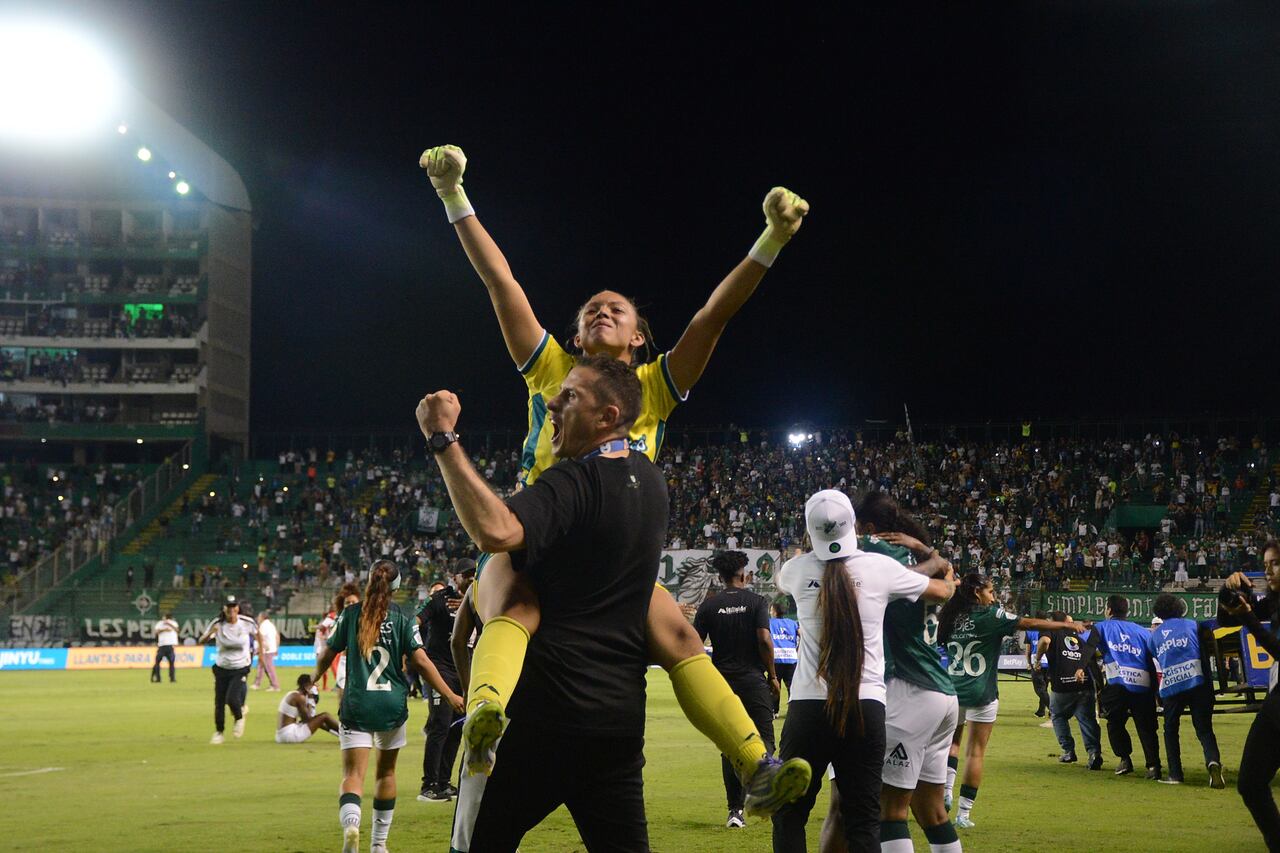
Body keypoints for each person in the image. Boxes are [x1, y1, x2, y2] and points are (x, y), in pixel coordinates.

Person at [420, 143, 810, 820]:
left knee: (679, 635)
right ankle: (483, 717)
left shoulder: (654, 387)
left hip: (608, 547)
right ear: (575, 338)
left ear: (637, 340)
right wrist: (455, 194)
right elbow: (501, 283)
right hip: (538, 530)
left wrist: (772, 237)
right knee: (513, 602)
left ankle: (755, 763)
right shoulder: (552, 374)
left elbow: (712, 316)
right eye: (591, 310)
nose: (601, 311)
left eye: (617, 310)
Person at [417, 361, 809, 853]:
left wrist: (442, 439)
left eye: (569, 397)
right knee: (678, 637)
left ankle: (484, 707)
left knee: (508, 596)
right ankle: (754, 758)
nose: (553, 404)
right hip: (616, 731)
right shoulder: (651, 485)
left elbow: (495, 531)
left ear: (607, 415)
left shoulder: (573, 482)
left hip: (536, 727)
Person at [773, 490, 954, 853]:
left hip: (808, 707)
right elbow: (944, 591)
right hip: (866, 706)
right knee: (864, 820)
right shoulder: (881, 569)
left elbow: (795, 572)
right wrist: (932, 556)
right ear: (853, 527)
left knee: (789, 815)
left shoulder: (794, 572)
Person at [313, 561, 463, 853]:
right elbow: (421, 662)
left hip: (357, 705)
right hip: (391, 706)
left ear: (368, 582)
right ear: (396, 587)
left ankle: (352, 825)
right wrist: (449, 695)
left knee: (353, 776)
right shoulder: (403, 619)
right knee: (386, 774)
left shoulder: (350, 615)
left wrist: (312, 680)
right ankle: (379, 844)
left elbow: (327, 653)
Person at [936, 575, 1077, 828]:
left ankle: (945, 792)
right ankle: (964, 814)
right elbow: (1029, 622)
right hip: (982, 693)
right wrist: (1065, 626)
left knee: (951, 744)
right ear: (977, 592)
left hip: (951, 691)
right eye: (990, 591)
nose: (994, 596)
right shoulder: (993, 616)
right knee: (975, 753)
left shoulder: (950, 616)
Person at [694, 550, 779, 828]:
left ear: (720, 576)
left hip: (722, 684)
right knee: (765, 740)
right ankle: (762, 794)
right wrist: (773, 676)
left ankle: (735, 811)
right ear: (743, 573)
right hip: (753, 680)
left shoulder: (709, 606)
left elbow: (694, 645)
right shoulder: (757, 601)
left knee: (731, 747)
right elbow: (764, 640)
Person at [1219, 540, 1280, 849]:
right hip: (1277, 700)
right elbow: (1228, 615)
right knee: (1249, 783)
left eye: (1275, 564)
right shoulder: (1274, 600)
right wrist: (1229, 591)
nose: (1268, 570)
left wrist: (1248, 617)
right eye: (1266, 564)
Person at [1147, 593, 1224, 787]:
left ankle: (1175, 774)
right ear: (1179, 608)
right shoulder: (1193, 625)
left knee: (1171, 729)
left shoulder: (1154, 636)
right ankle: (1212, 761)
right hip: (1198, 681)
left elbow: (1158, 657)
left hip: (1172, 686)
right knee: (1204, 729)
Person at [417, 558, 475, 804]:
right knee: (440, 724)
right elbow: (417, 621)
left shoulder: (482, 599)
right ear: (455, 577)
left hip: (465, 671)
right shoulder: (440, 600)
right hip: (440, 669)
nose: (471, 577)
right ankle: (428, 785)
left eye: (474, 574)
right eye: (466, 574)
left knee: (456, 727)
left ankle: (443, 782)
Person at [1092, 594, 1162, 780]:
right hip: (1143, 685)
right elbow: (1152, 660)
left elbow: (1086, 645)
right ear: (1127, 611)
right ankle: (1154, 766)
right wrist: (1155, 690)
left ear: (1108, 610)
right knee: (1146, 727)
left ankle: (1125, 759)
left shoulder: (1102, 626)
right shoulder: (1143, 632)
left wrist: (1098, 683)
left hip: (1117, 685)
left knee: (1115, 723)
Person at [1037, 612, 1103, 768]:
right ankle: (1094, 754)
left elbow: (1045, 642)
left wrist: (1038, 658)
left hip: (1062, 684)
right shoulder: (1080, 635)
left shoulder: (1050, 630)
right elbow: (1095, 654)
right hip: (1085, 683)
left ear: (1052, 621)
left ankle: (1068, 751)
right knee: (1087, 720)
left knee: (1058, 716)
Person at [198, 594, 258, 744]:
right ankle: (219, 732)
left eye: (234, 607)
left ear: (237, 608)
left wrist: (261, 654)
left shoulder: (246, 622)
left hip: (240, 667)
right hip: (222, 667)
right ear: (224, 609)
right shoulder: (218, 623)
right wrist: (211, 633)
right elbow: (201, 641)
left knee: (231, 698)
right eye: (228, 607)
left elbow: (259, 636)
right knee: (219, 702)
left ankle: (239, 717)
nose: (231, 610)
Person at [276, 673, 339, 743]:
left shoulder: (293, 694)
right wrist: (310, 699)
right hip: (289, 735)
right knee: (325, 716)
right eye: (313, 685)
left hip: (282, 735)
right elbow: (308, 719)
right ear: (306, 686)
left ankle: (340, 735)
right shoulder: (299, 697)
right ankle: (346, 734)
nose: (315, 687)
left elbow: (308, 718)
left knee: (319, 720)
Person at [771, 601, 799, 715]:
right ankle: (793, 712)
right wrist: (797, 649)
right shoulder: (792, 623)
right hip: (791, 658)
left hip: (776, 659)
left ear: (774, 611)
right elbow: (802, 635)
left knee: (774, 686)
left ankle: (774, 711)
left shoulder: (769, 623)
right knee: (792, 687)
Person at [1023, 614, 1052, 719]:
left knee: (1039, 689)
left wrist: (1028, 663)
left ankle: (1053, 710)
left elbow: (1028, 649)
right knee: (1044, 688)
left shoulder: (1030, 631)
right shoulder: (1049, 631)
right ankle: (1041, 711)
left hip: (1037, 663)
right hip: (1048, 663)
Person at [252, 608, 281, 691]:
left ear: (262, 617)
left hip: (267, 650)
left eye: (259, 617)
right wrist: (276, 647)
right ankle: (257, 684)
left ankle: (275, 686)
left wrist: (259, 647)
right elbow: (277, 636)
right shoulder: (271, 625)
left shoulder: (264, 625)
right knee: (261, 666)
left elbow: (260, 636)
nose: (258, 618)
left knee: (269, 668)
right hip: (270, 648)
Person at [150, 612, 179, 684]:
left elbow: (177, 630)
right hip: (162, 646)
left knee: (171, 663)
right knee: (157, 662)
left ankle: (172, 678)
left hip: (170, 645)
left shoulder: (173, 623)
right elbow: (156, 632)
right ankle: (157, 678)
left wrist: (169, 624)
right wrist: (164, 629)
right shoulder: (160, 623)